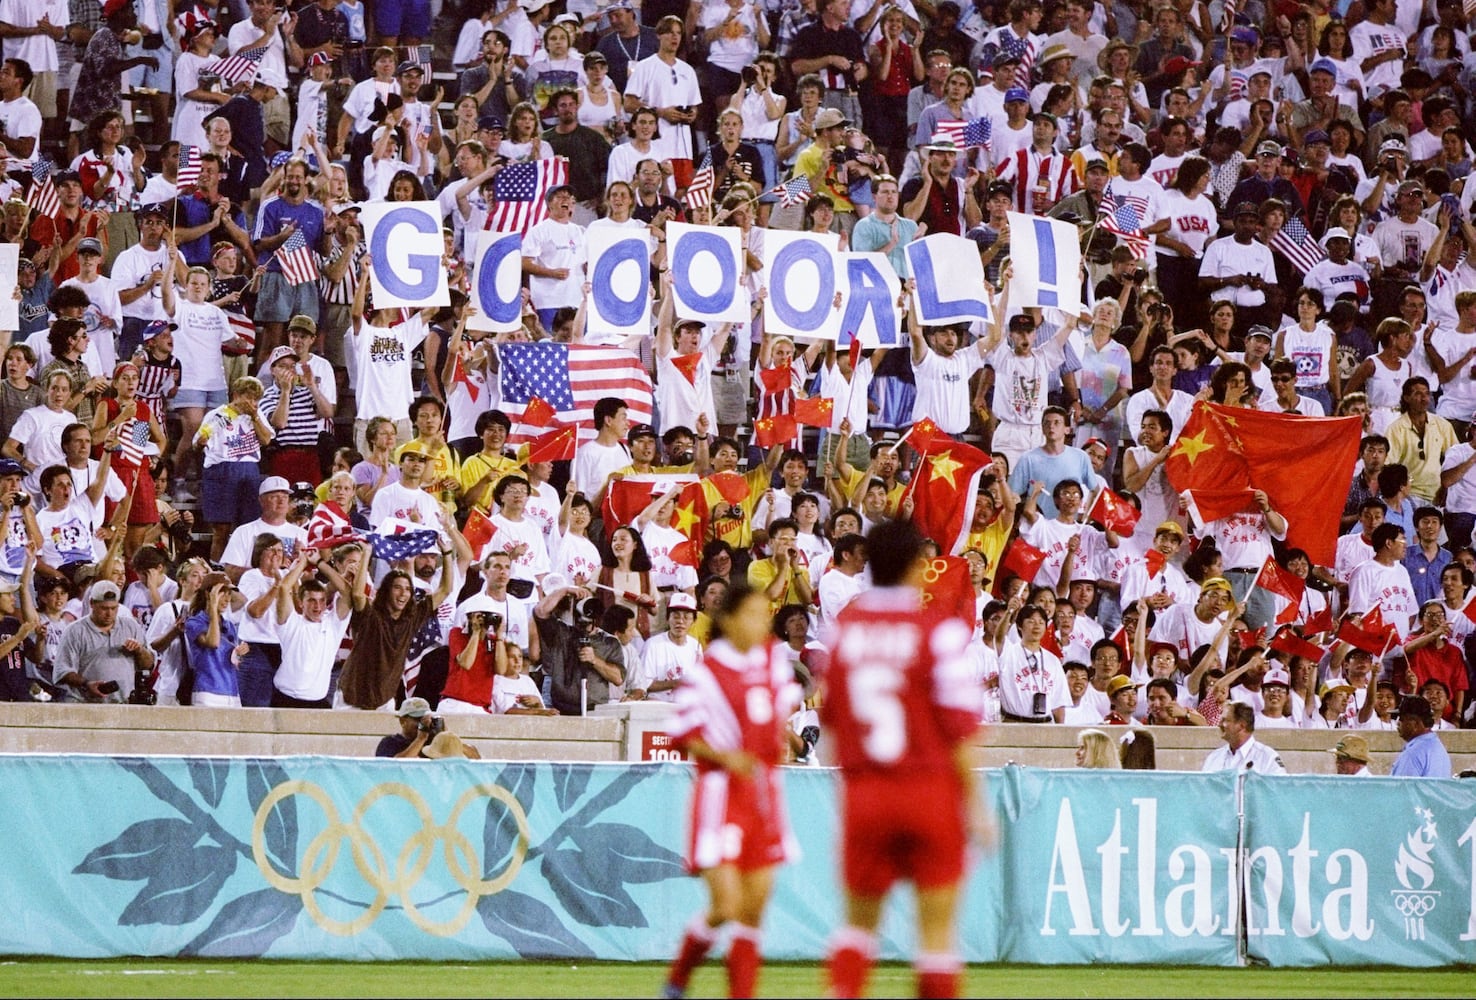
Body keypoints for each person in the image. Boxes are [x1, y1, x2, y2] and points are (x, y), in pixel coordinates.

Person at [822, 519, 992, 999]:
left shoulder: (844, 634)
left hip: (867, 794)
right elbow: (959, 730)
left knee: (857, 929)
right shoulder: (938, 633)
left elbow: (832, 729)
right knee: (936, 935)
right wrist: (977, 806)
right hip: (928, 792)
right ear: (919, 566)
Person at [661, 582, 798, 1000]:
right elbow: (682, 735)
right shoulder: (707, 673)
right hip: (721, 795)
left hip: (764, 795)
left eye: (764, 615)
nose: (761, 624)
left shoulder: (772, 660)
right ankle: (678, 979)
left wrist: (780, 741)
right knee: (725, 906)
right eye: (752, 615)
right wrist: (727, 757)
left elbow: (780, 709)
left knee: (752, 913)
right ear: (729, 620)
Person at [54, 580, 154, 703]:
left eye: (113, 608)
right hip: (85, 704)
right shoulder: (74, 631)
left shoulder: (130, 626)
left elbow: (148, 665)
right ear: (91, 603)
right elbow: (62, 671)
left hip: (123, 704)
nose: (109, 613)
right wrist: (86, 684)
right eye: (104, 608)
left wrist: (139, 650)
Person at [1201, 702, 1287, 774]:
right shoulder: (1214, 757)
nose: (1219, 724)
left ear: (1242, 726)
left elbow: (1280, 786)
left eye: (1225, 720)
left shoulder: (1268, 757)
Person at [1389, 695, 1454, 777]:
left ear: (1415, 724)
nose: (1397, 722)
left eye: (1401, 719)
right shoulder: (1438, 746)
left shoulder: (1413, 753)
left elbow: (1402, 784)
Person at [375, 696, 444, 758]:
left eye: (426, 719)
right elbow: (396, 765)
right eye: (418, 719)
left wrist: (442, 734)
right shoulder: (389, 743)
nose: (423, 723)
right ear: (402, 721)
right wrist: (420, 739)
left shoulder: (431, 742)